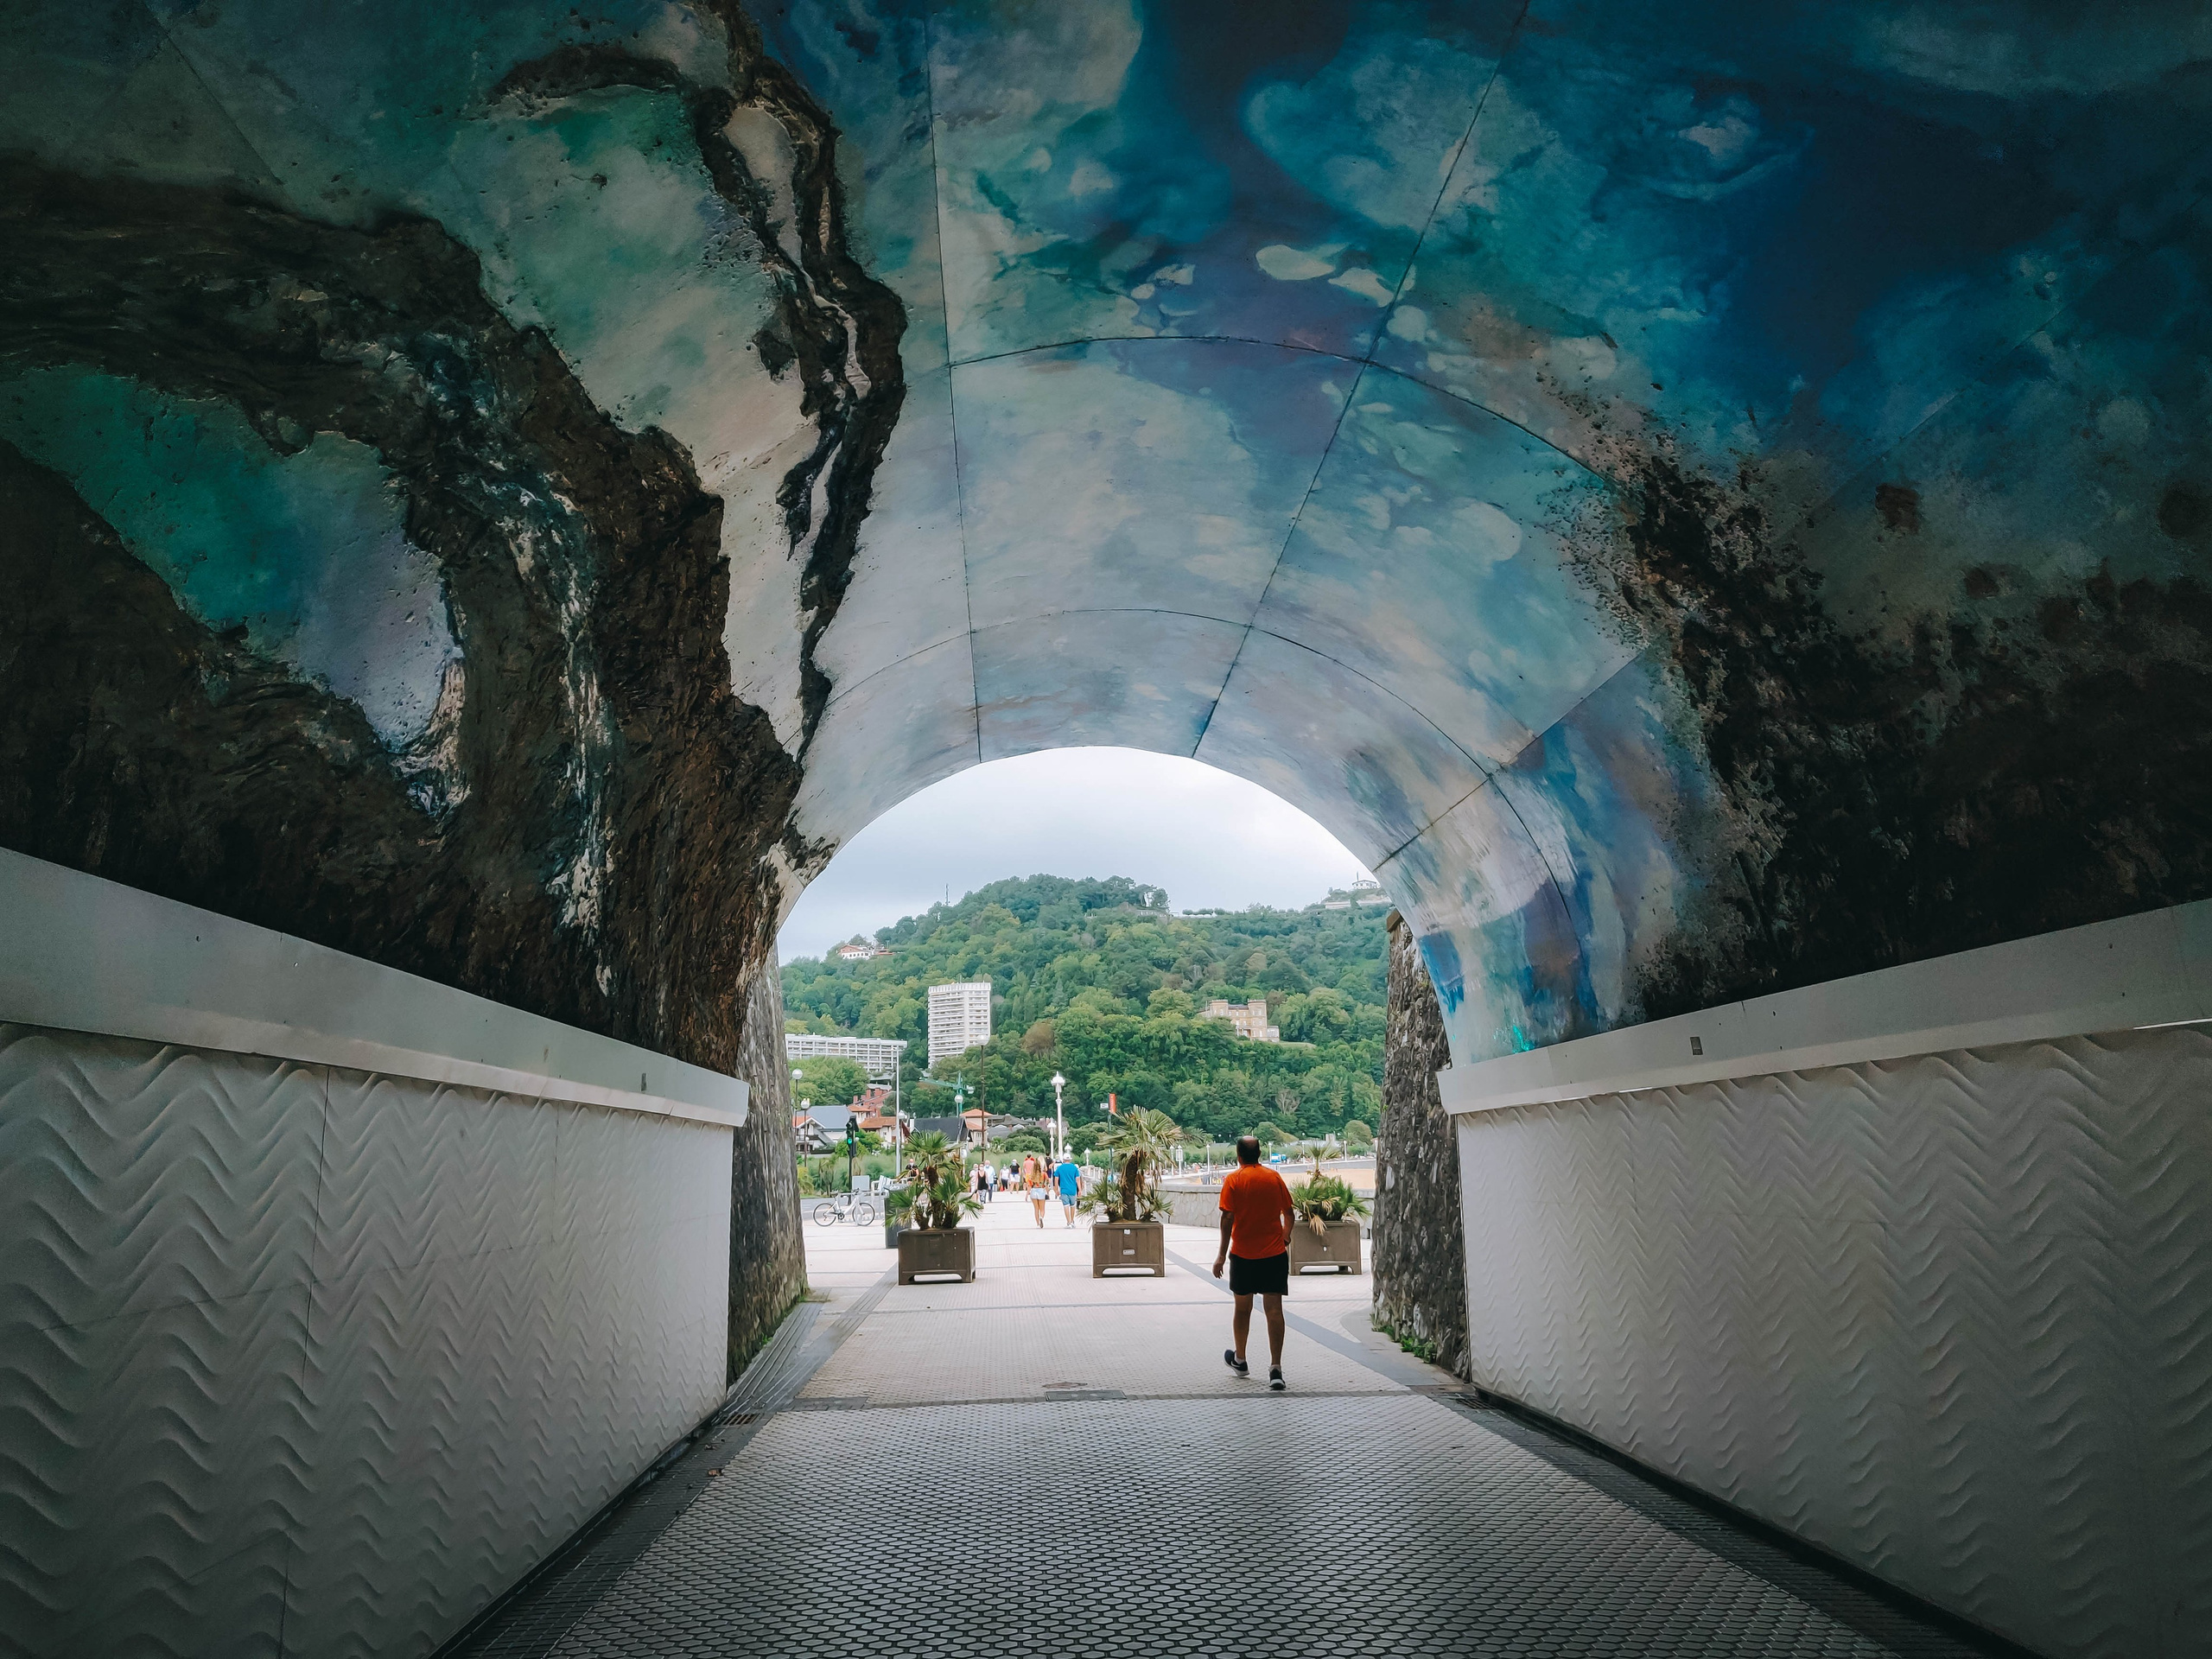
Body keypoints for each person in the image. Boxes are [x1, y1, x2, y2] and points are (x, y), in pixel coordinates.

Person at [1212, 1135, 1295, 1391]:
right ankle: (1276, 1369)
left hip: (1243, 1254)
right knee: (1274, 1311)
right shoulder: (1273, 1178)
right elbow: (1289, 1213)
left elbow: (1227, 1219)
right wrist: (1285, 1236)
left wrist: (1221, 1255)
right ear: (1259, 1154)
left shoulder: (1234, 1180)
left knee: (1242, 1308)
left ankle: (1240, 1359)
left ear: (1238, 1156)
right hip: (1273, 1254)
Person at [1052, 1152, 1081, 1226]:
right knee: (1073, 1205)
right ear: (1070, 1160)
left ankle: (1068, 1223)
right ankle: (1072, 1220)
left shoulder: (1060, 1168)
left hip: (1064, 1190)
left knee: (1066, 1205)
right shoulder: (1074, 1168)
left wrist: (1056, 1190)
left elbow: (1056, 1179)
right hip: (1073, 1190)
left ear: (1063, 1160)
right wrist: (1080, 1190)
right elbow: (1078, 1179)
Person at [1027, 1160, 1051, 1229]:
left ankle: (1037, 1223)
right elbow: (1046, 1184)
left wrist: (1026, 1195)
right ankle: (1041, 1217)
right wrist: (1048, 1193)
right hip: (1041, 1190)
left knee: (1036, 1208)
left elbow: (1029, 1185)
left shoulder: (1032, 1174)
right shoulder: (1044, 1174)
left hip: (1033, 1190)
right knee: (1042, 1208)